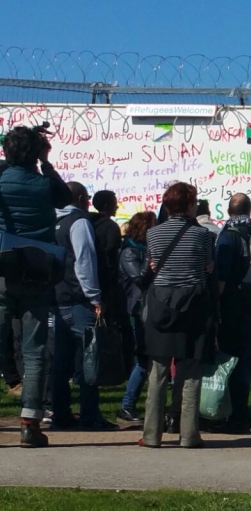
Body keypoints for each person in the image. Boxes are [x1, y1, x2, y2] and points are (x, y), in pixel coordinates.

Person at [0, 125, 73, 447]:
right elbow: (66, 196)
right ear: (37, 153)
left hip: (1, 270)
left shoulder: (2, 179)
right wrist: (45, 160)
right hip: (37, 272)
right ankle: (30, 422)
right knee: (34, 350)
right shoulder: (46, 185)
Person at [140, 183, 215, 449]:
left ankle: (151, 434)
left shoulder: (153, 234)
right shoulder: (204, 235)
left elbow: (152, 264)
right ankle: (189, 434)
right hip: (194, 305)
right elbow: (207, 268)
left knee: (158, 372)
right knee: (190, 371)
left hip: (161, 305)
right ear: (190, 204)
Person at [51, 182, 116, 430]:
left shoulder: (53, 222)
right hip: (79, 299)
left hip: (58, 296)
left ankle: (60, 414)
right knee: (90, 359)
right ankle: (89, 415)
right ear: (79, 198)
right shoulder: (78, 222)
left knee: (61, 362)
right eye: (87, 198)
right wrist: (95, 297)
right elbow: (84, 262)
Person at [215, 193, 251, 432]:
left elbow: (222, 275)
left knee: (227, 360)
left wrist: (215, 303)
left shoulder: (228, 236)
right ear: (249, 210)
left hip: (231, 305)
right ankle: (241, 413)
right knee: (244, 361)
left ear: (229, 211)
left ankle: (226, 413)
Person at [117, 211, 157, 423]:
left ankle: (132, 404)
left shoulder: (140, 250)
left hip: (147, 307)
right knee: (142, 358)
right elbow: (139, 279)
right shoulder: (130, 252)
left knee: (147, 358)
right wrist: (151, 262)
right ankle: (127, 404)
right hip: (137, 308)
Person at [88, 190, 132, 377]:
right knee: (119, 330)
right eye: (115, 203)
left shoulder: (86, 224)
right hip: (109, 285)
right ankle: (119, 367)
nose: (117, 206)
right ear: (106, 205)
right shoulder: (110, 227)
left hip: (90, 282)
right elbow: (111, 259)